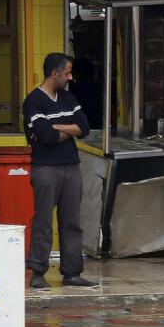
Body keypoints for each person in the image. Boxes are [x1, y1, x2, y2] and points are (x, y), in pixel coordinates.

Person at [22, 52, 94, 290]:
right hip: (45, 168)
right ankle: (38, 272)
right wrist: (66, 129)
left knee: (72, 220)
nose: (70, 77)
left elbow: (84, 127)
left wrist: (57, 126)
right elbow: (45, 136)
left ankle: (72, 273)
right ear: (54, 73)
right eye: (67, 73)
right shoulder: (33, 101)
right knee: (43, 220)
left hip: (71, 166)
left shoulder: (68, 98)